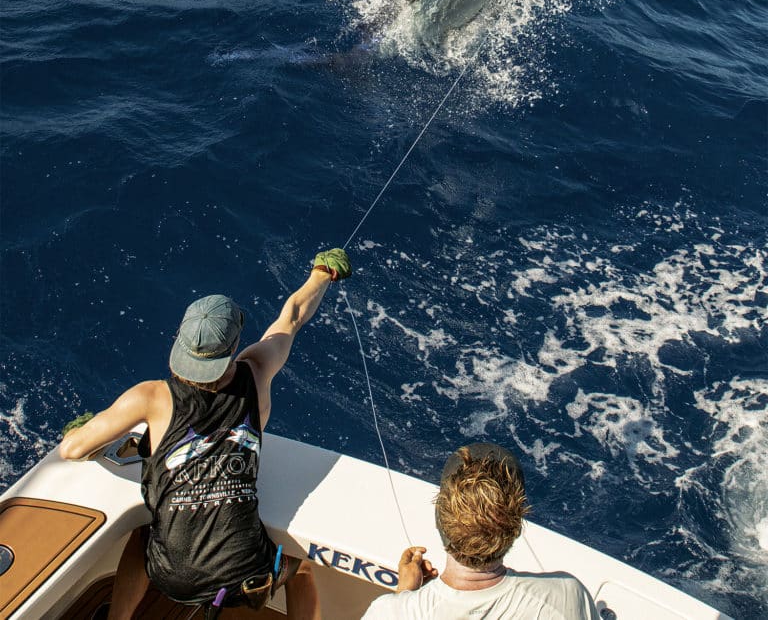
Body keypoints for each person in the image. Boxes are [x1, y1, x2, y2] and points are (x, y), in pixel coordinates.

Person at [60, 247, 352, 620]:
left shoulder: (151, 397)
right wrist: (322, 273)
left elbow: (72, 449)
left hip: (170, 578)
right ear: (232, 348)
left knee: (143, 536)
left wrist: (84, 430)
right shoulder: (258, 370)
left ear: (181, 341)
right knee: (304, 568)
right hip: (249, 579)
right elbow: (292, 316)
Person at [361, 442, 598, 619]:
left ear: (439, 522)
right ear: (515, 531)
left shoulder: (387, 613)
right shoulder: (566, 594)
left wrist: (405, 593)